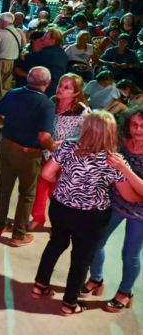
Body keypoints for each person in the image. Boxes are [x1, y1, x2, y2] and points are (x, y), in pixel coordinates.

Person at [32, 111, 143, 315]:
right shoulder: (113, 160)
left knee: (55, 244)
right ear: (111, 132)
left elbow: (46, 174)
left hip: (60, 207)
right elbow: (130, 197)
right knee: (81, 258)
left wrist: (68, 186)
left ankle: (39, 286)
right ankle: (69, 304)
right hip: (91, 216)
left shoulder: (68, 145)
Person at [0, 67, 56, 246]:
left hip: (7, 146)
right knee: (26, 194)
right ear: (48, 83)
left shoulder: (13, 93)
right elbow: (44, 137)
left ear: (28, 78)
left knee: (4, 187)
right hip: (28, 154)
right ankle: (18, 235)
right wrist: (54, 147)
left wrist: (7, 126)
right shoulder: (46, 104)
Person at [85, 107, 143, 312]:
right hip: (116, 201)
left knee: (130, 253)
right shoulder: (122, 140)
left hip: (141, 212)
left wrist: (124, 167)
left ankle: (125, 292)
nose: (137, 130)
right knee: (95, 241)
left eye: (142, 126)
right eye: (134, 125)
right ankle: (96, 279)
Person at [29, 74, 89, 231]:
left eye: (67, 87)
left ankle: (60, 223)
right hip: (47, 152)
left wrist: (63, 143)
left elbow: (86, 135)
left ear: (76, 92)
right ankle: (39, 217)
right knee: (41, 186)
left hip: (66, 156)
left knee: (57, 191)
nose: (60, 89)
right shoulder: (52, 102)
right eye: (60, 85)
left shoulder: (82, 110)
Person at [0, 12, 25, 106]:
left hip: (0, 62)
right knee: (5, 86)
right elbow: (23, 45)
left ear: (3, 22)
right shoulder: (18, 32)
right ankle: (4, 106)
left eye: (0, 20)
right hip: (12, 62)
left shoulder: (1, 33)